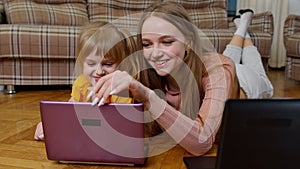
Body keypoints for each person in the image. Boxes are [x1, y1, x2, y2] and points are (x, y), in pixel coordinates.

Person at [91, 1, 240, 156]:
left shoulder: (218, 69)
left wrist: (148, 97)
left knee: (241, 59)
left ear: (188, 41)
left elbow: (201, 143)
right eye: (147, 44)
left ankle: (242, 28)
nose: (155, 54)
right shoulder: (144, 68)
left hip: (247, 82)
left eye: (167, 42)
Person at [34, 21, 137, 140]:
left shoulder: (121, 90)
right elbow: (69, 111)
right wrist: (49, 126)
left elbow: (122, 128)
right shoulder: (81, 83)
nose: (99, 71)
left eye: (108, 64)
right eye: (91, 63)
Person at [222, 9, 274, 98]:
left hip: (239, 79)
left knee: (265, 85)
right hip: (237, 77)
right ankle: (242, 25)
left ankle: (243, 24)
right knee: (226, 63)